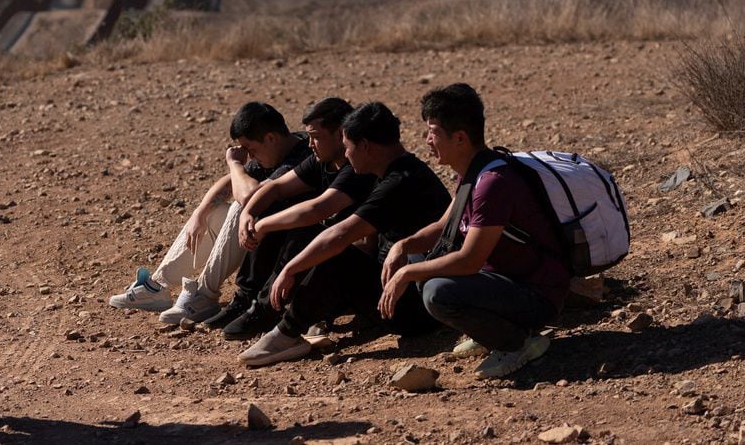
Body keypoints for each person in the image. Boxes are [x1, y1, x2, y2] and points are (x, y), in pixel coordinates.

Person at [379, 83, 571, 378]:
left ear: (460, 138)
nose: (427, 140)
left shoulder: (493, 182)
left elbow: (469, 260)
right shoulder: (473, 170)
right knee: (417, 261)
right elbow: (443, 226)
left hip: (537, 295)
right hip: (502, 281)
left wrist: (407, 274)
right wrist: (402, 247)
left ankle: (519, 343)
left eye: (434, 132)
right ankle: (492, 332)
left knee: (436, 292)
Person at [240, 102, 451, 367]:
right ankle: (295, 313)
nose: (346, 156)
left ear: (365, 146)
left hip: (417, 310)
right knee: (326, 247)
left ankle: (287, 333)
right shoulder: (397, 171)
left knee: (335, 257)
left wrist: (290, 270)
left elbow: (342, 234)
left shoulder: (400, 182)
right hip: (399, 292)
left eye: (348, 146)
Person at [109, 102, 312, 324]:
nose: (251, 158)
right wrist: (200, 212)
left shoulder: (301, 155)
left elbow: (252, 198)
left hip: (287, 246)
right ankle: (157, 287)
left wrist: (235, 165)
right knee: (213, 212)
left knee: (239, 207)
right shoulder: (273, 151)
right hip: (259, 239)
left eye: (252, 150)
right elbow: (228, 183)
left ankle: (204, 296)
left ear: (271, 138)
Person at [206, 97, 376, 340]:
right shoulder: (322, 161)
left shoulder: (355, 168)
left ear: (340, 134)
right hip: (333, 260)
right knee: (275, 209)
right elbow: (275, 188)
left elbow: (318, 209)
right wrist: (249, 213)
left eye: (316, 137)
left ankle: (269, 309)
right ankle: (247, 298)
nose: (310, 144)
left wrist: (263, 224)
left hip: (357, 269)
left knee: (304, 229)